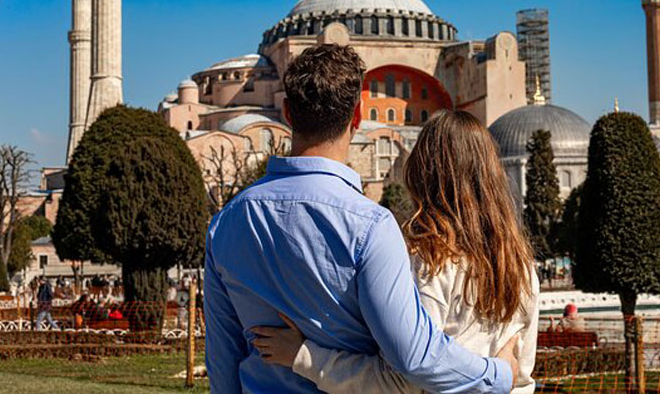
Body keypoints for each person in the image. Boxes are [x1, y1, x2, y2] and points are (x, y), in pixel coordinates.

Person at [205, 44, 519, 393]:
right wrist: (499, 375)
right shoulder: (369, 225)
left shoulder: (226, 224)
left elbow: (223, 357)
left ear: (286, 114)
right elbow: (414, 356)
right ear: (356, 118)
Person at [252, 109, 539, 393]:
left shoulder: (430, 261)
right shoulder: (520, 266)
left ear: (420, 171)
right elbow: (521, 377)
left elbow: (401, 381)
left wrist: (302, 357)